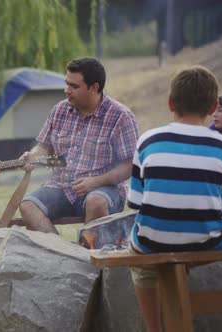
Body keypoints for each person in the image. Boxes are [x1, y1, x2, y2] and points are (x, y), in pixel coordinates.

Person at [127, 66, 222, 332]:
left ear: (171, 103)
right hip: (209, 242)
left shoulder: (147, 140)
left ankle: (154, 328)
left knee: (142, 263)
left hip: (153, 241)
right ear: (213, 107)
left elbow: (136, 203)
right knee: (205, 229)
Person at [19, 57, 139, 233]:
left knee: (95, 202)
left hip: (105, 190)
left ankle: (88, 257)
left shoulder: (121, 117)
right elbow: (44, 146)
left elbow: (130, 166)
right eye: (67, 84)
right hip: (61, 186)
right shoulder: (59, 110)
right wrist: (34, 155)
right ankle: (60, 254)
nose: (67, 90)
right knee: (28, 206)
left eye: (74, 86)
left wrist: (96, 181)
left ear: (94, 87)